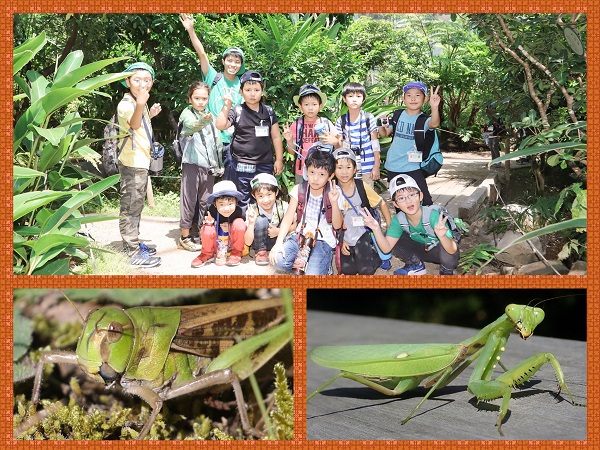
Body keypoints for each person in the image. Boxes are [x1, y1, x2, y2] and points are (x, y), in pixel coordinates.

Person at [361, 174, 460, 275]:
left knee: (450, 247)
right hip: (422, 249)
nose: (408, 201)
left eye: (412, 195)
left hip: (441, 252)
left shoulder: (433, 216)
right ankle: (416, 264)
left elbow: (452, 250)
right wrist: (376, 229)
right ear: (395, 204)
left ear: (420, 196)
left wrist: (442, 237)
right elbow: (386, 249)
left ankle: (447, 270)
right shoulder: (398, 220)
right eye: (401, 198)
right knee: (389, 235)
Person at [215, 70, 284, 207]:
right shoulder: (237, 110)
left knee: (264, 200)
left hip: (264, 165)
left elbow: (276, 136)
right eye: (248, 90)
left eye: (256, 89)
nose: (252, 93)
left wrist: (279, 160)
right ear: (241, 92)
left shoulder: (269, 112)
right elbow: (221, 125)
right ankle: (243, 227)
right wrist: (227, 105)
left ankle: (261, 227)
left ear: (262, 91)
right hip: (241, 165)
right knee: (242, 200)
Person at [117, 62, 162, 268]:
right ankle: (132, 251)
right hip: (131, 162)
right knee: (130, 206)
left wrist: (148, 113)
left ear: (152, 82)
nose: (142, 84)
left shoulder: (137, 103)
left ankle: (133, 243)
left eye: (147, 80)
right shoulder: (127, 104)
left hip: (140, 161)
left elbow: (139, 125)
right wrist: (142, 105)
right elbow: (133, 124)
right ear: (127, 81)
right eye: (137, 80)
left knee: (136, 205)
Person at [269, 150, 343, 275]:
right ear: (306, 171)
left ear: (330, 176)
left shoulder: (335, 192)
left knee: (311, 275)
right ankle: (309, 263)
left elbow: (337, 226)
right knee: (278, 261)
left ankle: (323, 267)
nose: (315, 178)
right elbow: (287, 218)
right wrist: (278, 243)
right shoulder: (300, 189)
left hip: (323, 240)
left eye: (321, 174)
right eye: (312, 172)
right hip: (300, 236)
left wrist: (334, 202)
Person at [180, 13, 245, 148]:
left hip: (233, 140)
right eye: (230, 61)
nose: (233, 65)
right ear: (223, 61)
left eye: (237, 62)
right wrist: (191, 30)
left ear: (241, 65)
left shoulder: (242, 83)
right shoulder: (213, 77)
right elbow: (202, 54)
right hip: (210, 138)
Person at [377, 82, 441, 206]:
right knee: (400, 203)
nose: (413, 98)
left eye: (417, 95)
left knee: (424, 201)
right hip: (393, 166)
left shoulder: (424, 119)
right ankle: (404, 226)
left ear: (425, 99)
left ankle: (427, 224)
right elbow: (384, 134)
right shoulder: (397, 115)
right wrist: (381, 122)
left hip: (413, 167)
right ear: (403, 99)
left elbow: (434, 123)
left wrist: (434, 107)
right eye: (409, 95)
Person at [177, 81, 223, 252]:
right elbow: (190, 127)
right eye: (197, 98)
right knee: (188, 200)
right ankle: (184, 236)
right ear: (190, 99)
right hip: (191, 164)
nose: (201, 102)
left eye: (204, 98)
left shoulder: (210, 116)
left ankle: (200, 232)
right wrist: (203, 121)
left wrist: (220, 165)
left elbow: (217, 143)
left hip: (209, 166)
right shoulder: (187, 113)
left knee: (205, 201)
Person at [334, 148, 392, 275]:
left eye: (348, 167)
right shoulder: (333, 191)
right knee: (348, 270)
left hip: (363, 232)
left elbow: (381, 202)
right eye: (339, 167)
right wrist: (341, 240)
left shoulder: (361, 186)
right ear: (333, 170)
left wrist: (390, 225)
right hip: (346, 235)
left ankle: (376, 257)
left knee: (365, 270)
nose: (344, 172)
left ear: (354, 169)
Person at [282, 84, 337, 183]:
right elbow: (291, 152)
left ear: (320, 106)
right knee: (302, 196)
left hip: (323, 171)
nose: (310, 108)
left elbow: (338, 146)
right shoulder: (296, 125)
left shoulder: (326, 123)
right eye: (306, 104)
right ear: (300, 106)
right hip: (302, 170)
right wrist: (289, 140)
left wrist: (335, 142)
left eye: (314, 104)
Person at [191, 180, 246, 268]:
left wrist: (230, 226)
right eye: (222, 204)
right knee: (207, 228)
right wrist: (209, 223)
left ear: (236, 203)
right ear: (215, 204)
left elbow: (243, 230)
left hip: (231, 242)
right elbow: (201, 229)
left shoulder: (239, 211)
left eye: (230, 204)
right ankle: (206, 254)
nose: (226, 208)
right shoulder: (210, 210)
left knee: (240, 224)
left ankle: (236, 253)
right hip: (217, 243)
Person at [333, 82, 380, 187]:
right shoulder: (341, 121)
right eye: (350, 96)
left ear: (363, 99)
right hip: (347, 168)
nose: (354, 99)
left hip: (367, 167)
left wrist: (376, 166)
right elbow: (338, 146)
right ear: (344, 99)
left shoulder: (368, 118)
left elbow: (375, 144)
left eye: (358, 96)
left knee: (368, 198)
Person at [244, 173, 290, 266]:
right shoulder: (252, 210)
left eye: (269, 194)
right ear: (254, 196)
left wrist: (279, 231)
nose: (265, 200)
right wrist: (252, 223)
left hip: (278, 241)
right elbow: (247, 242)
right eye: (260, 196)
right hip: (258, 242)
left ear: (276, 192)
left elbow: (296, 224)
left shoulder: (283, 206)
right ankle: (261, 252)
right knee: (261, 220)